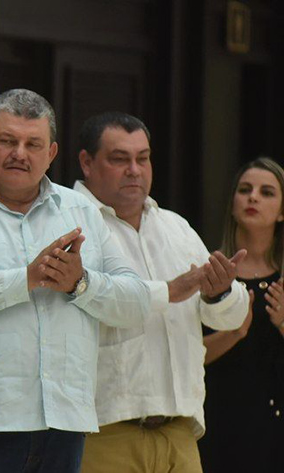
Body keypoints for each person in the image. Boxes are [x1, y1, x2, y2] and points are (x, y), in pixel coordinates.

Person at [0, 89, 151, 473]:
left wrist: (81, 285)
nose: (19, 154)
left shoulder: (82, 212)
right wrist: (25, 279)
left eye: (33, 144)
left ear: (52, 153)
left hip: (63, 426)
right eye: (7, 141)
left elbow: (138, 301)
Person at [72, 112, 249, 473]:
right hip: (105, 432)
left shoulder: (175, 226)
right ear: (87, 163)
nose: (134, 170)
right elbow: (88, 299)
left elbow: (230, 318)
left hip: (179, 433)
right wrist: (167, 291)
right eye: (120, 159)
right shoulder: (67, 222)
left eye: (143, 157)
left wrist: (220, 293)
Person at [198, 157, 284, 472]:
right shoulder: (209, 273)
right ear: (232, 204)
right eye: (245, 190)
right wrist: (234, 333)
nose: (253, 198)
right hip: (216, 422)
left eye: (267, 192)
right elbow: (187, 354)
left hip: (273, 431)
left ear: (282, 211)